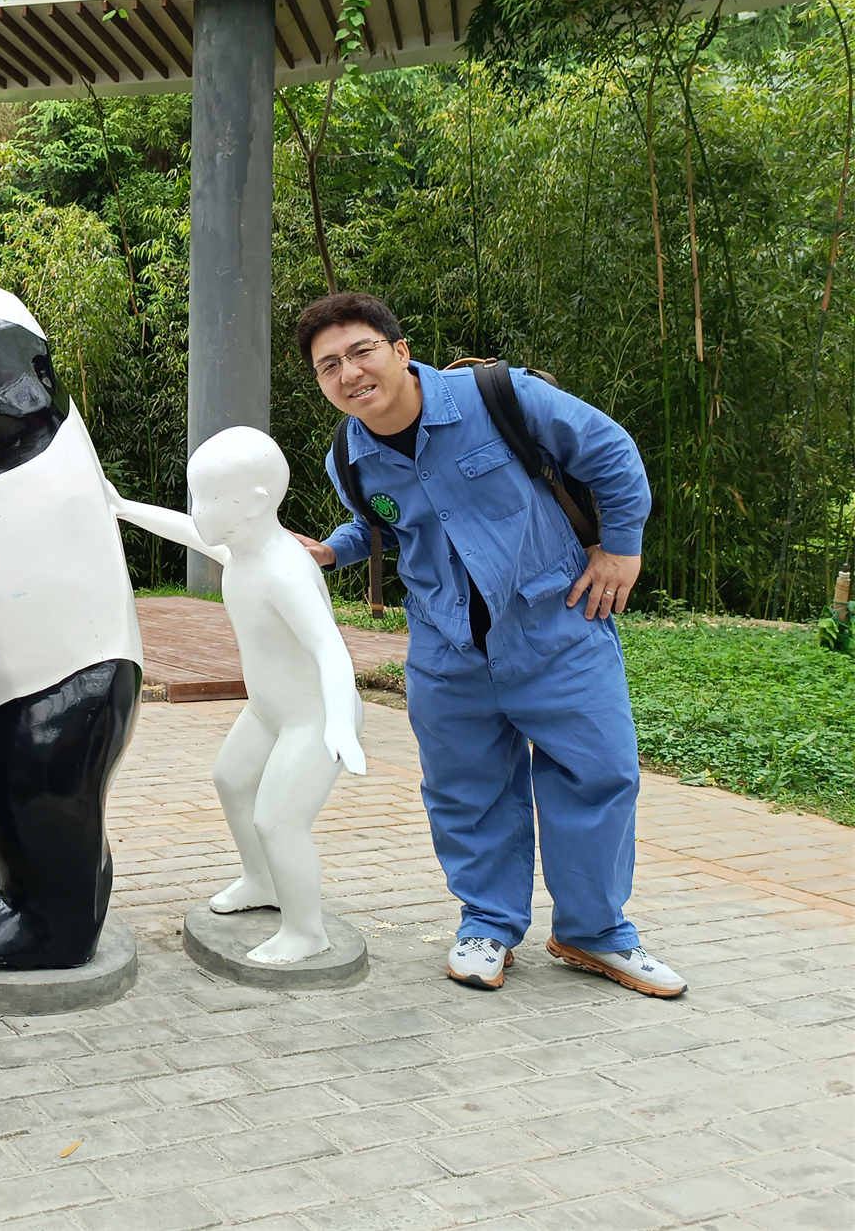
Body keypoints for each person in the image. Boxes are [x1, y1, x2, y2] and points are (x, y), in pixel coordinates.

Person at [289, 292, 685, 998]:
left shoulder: (500, 397)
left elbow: (611, 452)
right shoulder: (349, 458)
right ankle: (488, 923)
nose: (349, 373)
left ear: (400, 350)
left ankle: (594, 931)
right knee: (467, 790)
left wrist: (621, 548)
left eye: (361, 351)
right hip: (447, 652)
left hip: (558, 627)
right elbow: (382, 525)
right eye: (328, 366)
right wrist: (330, 549)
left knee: (598, 776)